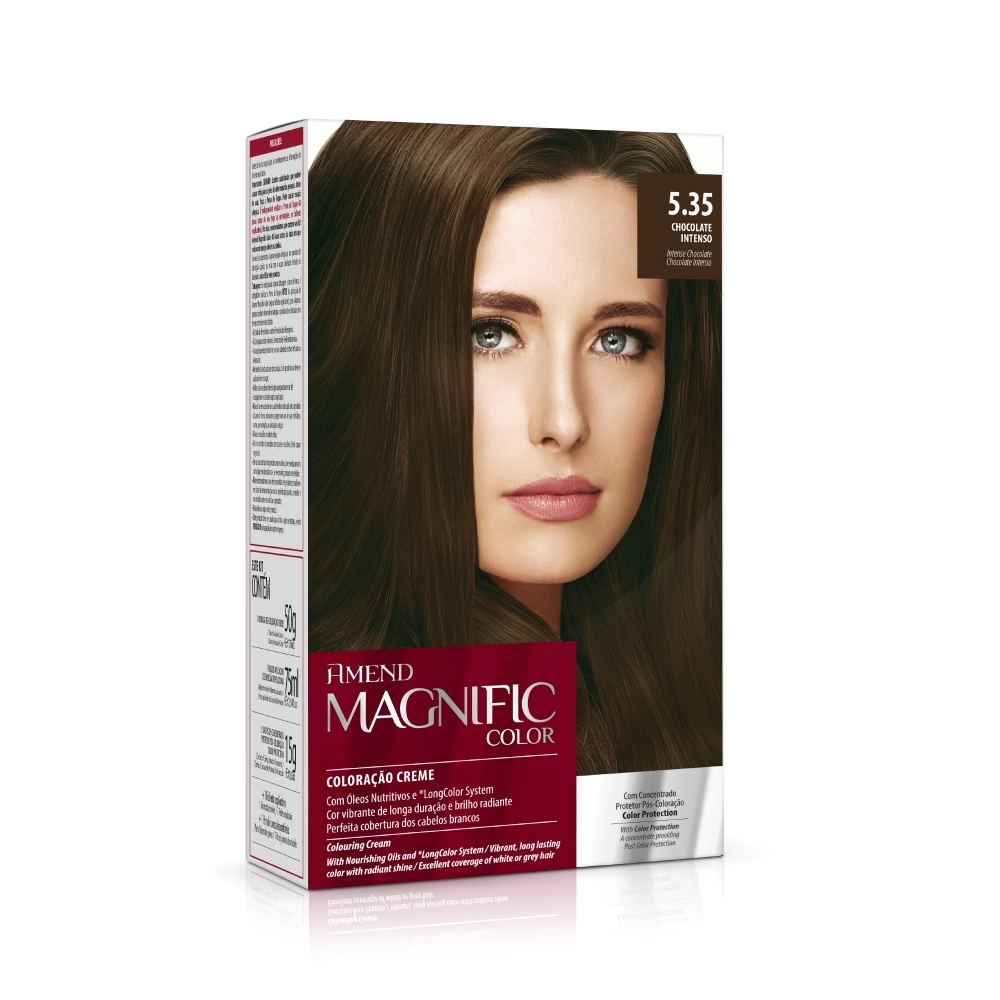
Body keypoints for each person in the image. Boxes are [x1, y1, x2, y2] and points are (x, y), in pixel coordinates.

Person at [308, 123, 721, 775]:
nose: (564, 422)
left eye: (618, 340)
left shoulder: (688, 696)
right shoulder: (337, 735)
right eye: (490, 334)